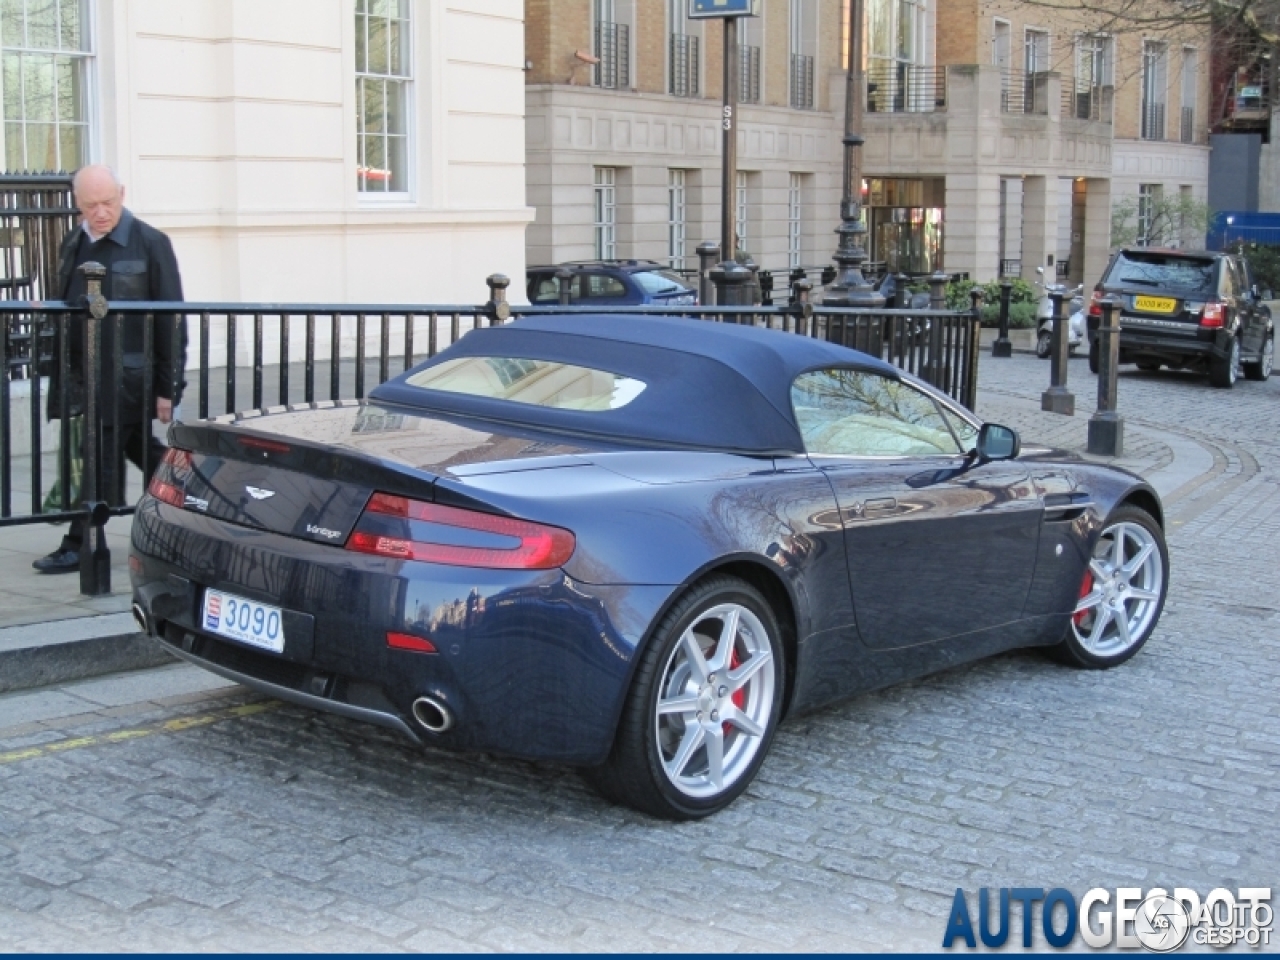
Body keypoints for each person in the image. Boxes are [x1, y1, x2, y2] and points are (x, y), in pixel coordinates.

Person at [33, 165, 186, 573]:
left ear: (122, 193)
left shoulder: (151, 243)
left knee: (100, 456)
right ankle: (194, 503)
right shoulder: (73, 241)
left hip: (129, 378)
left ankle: (78, 544)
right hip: (86, 375)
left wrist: (169, 387)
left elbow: (173, 319)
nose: (100, 212)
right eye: (90, 205)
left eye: (108, 202)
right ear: (77, 204)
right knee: (145, 454)